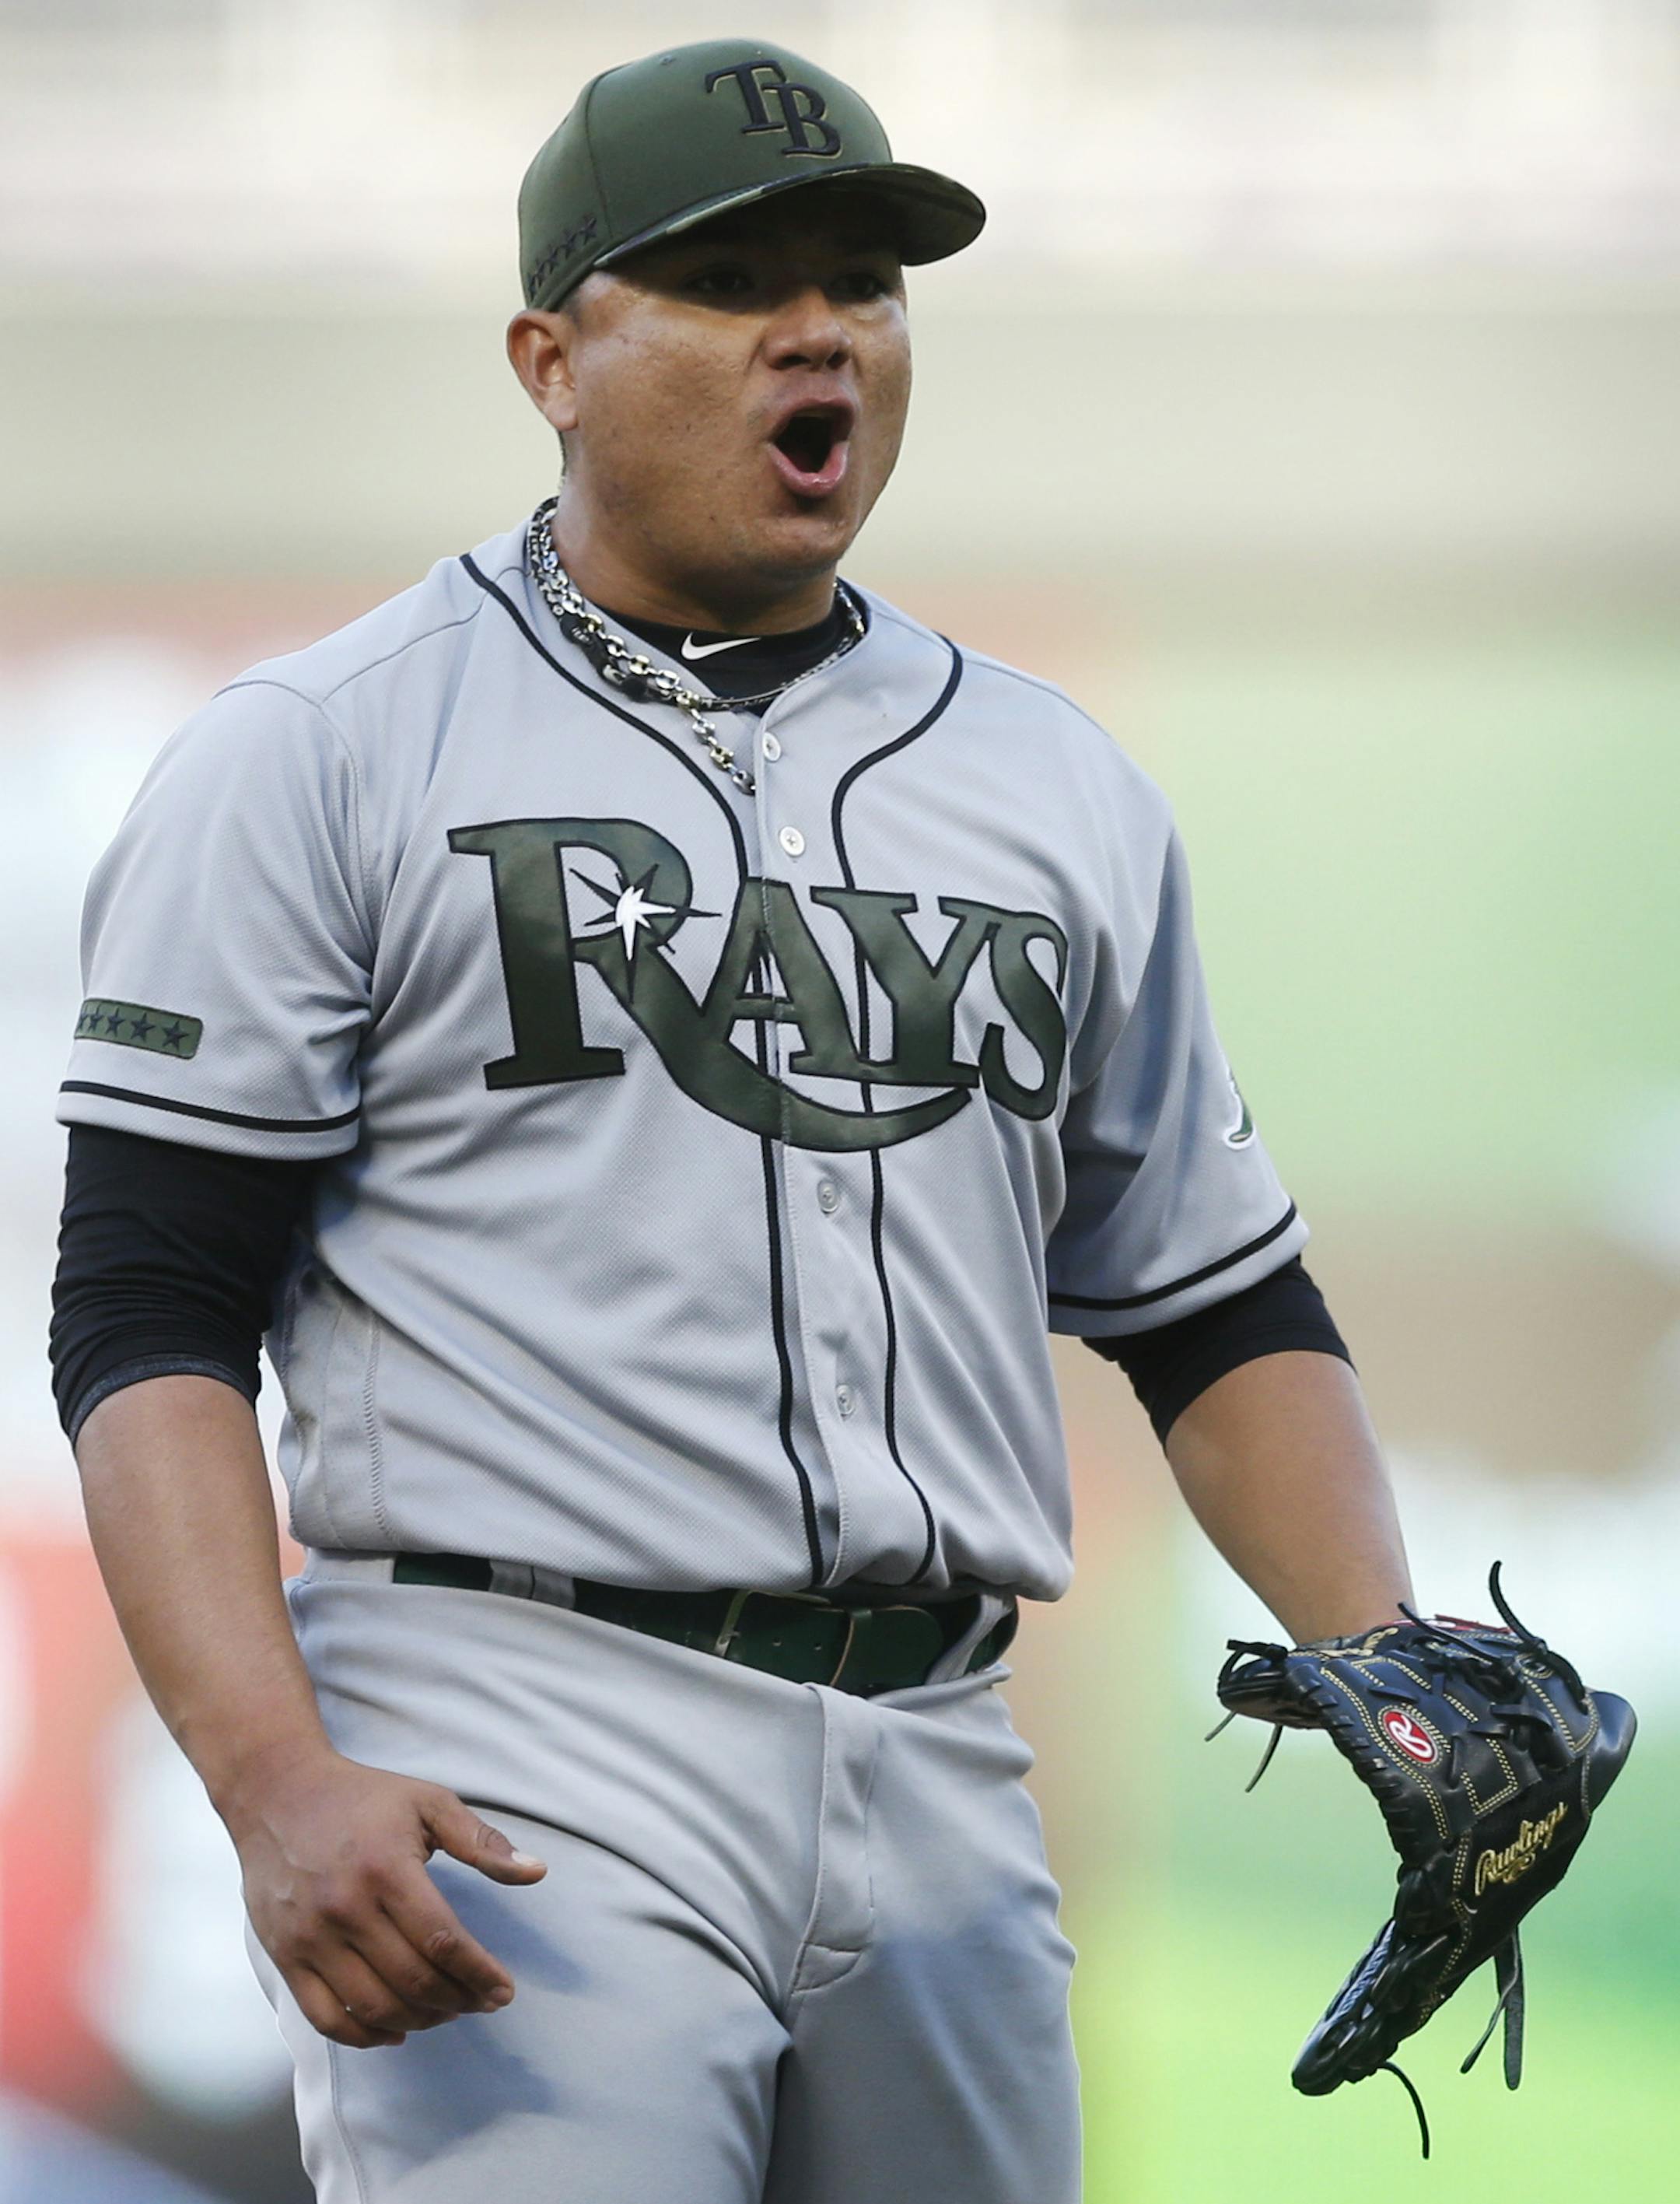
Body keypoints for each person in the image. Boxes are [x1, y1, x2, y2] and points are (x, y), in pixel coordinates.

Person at [50, 37, 1414, 2203]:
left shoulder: (1051, 783)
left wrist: (1394, 1658)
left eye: (865, 280)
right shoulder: (324, 748)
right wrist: (264, 1768)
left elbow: (1216, 1301)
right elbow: (144, 1310)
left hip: (947, 1743)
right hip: (519, 1730)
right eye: (734, 276)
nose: (824, 329)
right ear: (553, 357)